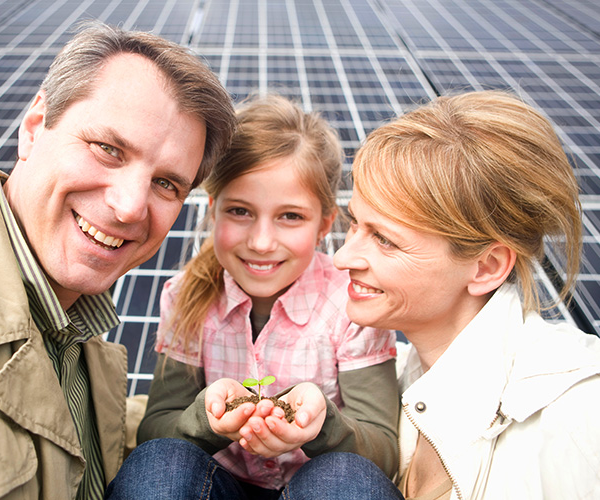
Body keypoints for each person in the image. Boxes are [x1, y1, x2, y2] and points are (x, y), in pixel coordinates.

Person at [0, 20, 235, 500]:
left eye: (166, 183)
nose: (129, 206)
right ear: (35, 128)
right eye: (108, 149)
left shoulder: (87, 356)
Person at [105, 95, 402, 500]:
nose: (261, 242)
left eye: (290, 216)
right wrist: (206, 420)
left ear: (324, 225)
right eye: (240, 211)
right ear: (213, 210)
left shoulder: (352, 304)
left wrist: (322, 427)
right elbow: (155, 429)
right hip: (217, 486)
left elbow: (383, 451)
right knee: (160, 465)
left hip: (312, 487)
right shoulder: (185, 296)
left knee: (346, 478)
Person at [333, 90, 600, 499]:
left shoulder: (579, 413)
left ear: (487, 267)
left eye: (385, 240)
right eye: (355, 224)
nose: (342, 257)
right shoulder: (394, 380)